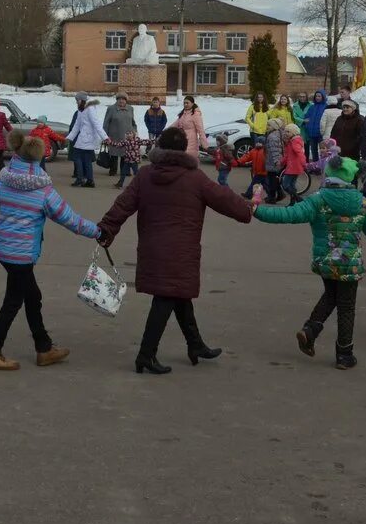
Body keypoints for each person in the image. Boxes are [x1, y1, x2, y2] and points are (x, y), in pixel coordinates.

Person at [97, 127, 254, 375]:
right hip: (181, 251)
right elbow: (223, 198)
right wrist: (248, 209)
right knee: (166, 298)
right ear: (183, 149)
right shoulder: (195, 177)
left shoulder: (146, 174)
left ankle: (195, 345)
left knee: (178, 294)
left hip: (152, 248)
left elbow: (123, 204)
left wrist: (106, 228)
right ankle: (145, 355)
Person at [0, 133, 101, 370]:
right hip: (24, 255)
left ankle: (44, 347)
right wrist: (98, 232)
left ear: (16, 154)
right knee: (14, 301)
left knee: (32, 297)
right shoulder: (44, 190)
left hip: (5, 252)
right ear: (38, 159)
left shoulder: (2, 182)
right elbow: (70, 220)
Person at [251, 155, 366, 370]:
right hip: (349, 263)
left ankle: (310, 330)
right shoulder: (362, 203)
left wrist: (258, 211)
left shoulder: (318, 199)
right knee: (346, 306)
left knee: (331, 295)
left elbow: (290, 214)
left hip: (325, 261)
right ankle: (344, 354)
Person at [66, 96, 106, 188]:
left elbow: (96, 123)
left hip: (86, 138)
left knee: (77, 157)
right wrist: (70, 137)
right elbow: (77, 125)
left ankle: (80, 179)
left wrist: (105, 137)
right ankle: (90, 181)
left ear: (81, 100)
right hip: (85, 138)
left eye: (77, 101)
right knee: (87, 160)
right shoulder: (82, 110)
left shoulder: (89, 109)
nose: (77, 103)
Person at [102, 94, 137, 177]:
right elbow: (106, 122)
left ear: (126, 100)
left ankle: (124, 171)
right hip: (114, 135)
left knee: (125, 154)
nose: (121, 101)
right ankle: (113, 170)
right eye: (119, 99)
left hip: (127, 136)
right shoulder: (111, 109)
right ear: (117, 100)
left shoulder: (130, 108)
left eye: (123, 99)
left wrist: (134, 131)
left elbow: (133, 122)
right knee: (114, 154)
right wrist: (105, 135)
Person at [171, 95, 208, 160]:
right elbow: (176, 124)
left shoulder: (195, 114)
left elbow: (200, 130)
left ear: (192, 103)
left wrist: (204, 144)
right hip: (181, 140)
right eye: (184, 103)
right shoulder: (183, 114)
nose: (185, 104)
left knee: (188, 161)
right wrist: (166, 131)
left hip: (191, 142)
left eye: (187, 103)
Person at [329, 100, 364, 166]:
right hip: (338, 150)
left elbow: (361, 135)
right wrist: (332, 143)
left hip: (352, 152)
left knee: (350, 170)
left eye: (347, 107)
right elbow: (333, 132)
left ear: (353, 108)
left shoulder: (359, 119)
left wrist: (354, 146)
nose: (345, 109)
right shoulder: (339, 119)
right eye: (344, 107)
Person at [280, 123, 307, 206]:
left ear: (294, 132)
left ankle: (298, 198)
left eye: (288, 132)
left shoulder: (294, 142)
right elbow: (287, 155)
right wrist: (282, 162)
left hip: (293, 167)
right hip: (294, 166)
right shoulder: (292, 141)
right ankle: (292, 202)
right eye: (286, 131)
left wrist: (304, 163)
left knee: (285, 185)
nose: (286, 133)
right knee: (291, 185)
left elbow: (300, 153)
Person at [263, 117, 287, 201]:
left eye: (269, 125)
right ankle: (279, 194)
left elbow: (275, 150)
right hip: (276, 161)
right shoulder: (279, 133)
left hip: (273, 162)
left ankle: (272, 197)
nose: (267, 126)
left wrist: (277, 161)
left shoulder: (272, 136)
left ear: (275, 126)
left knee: (272, 181)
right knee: (275, 180)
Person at [303, 90, 328, 156]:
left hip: (321, 133)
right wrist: (307, 127)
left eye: (319, 96)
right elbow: (306, 118)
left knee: (323, 152)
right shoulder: (312, 107)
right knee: (314, 152)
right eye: (316, 96)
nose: (317, 98)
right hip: (312, 133)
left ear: (323, 97)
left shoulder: (326, 107)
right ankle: (315, 165)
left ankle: (322, 165)